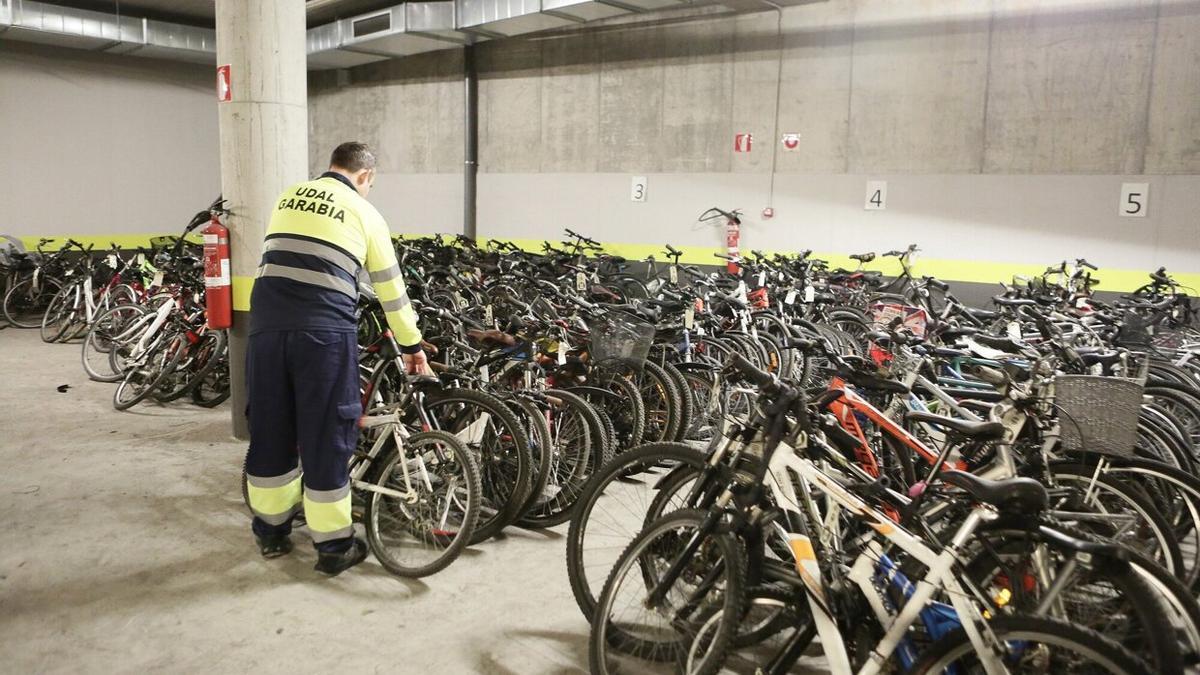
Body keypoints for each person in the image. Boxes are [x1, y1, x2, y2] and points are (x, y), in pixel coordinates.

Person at [243, 142, 429, 576]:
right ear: (365, 176)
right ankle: (333, 546)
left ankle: (271, 533)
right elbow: (390, 290)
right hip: (324, 334)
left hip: (266, 328)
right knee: (326, 432)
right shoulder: (366, 213)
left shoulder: (288, 197)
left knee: (271, 427)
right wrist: (412, 346)